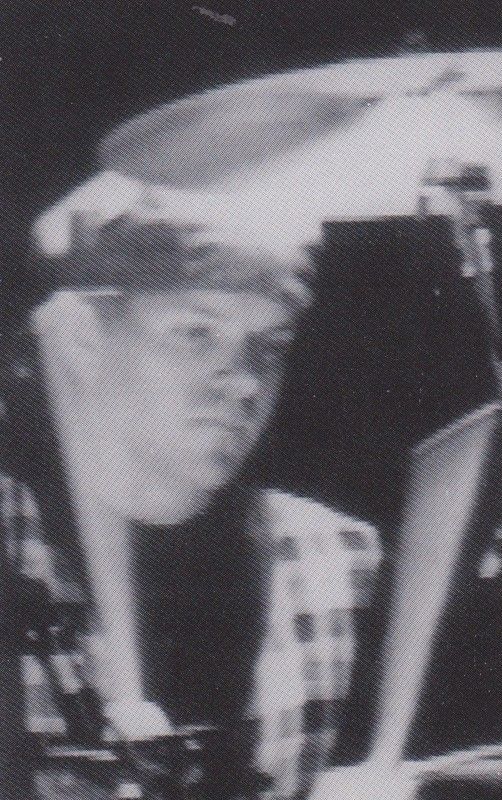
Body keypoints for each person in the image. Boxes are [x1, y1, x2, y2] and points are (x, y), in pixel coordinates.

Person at [21, 112, 382, 797]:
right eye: (196, 333)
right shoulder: (18, 545)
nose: (244, 381)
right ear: (80, 339)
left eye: (269, 345)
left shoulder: (333, 561)